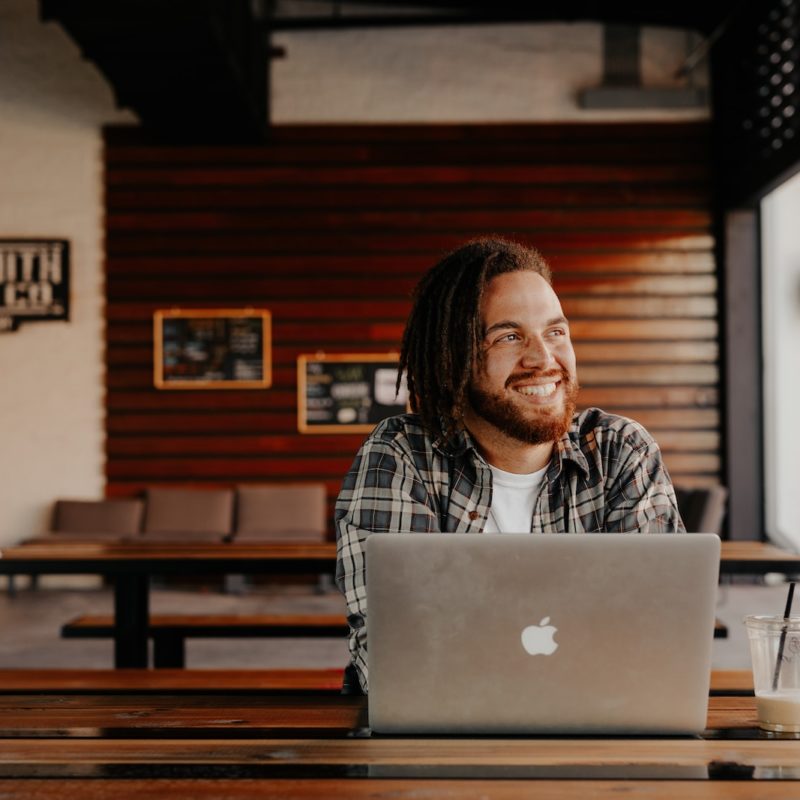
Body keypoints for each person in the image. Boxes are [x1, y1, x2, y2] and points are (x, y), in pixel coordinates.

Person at [335, 238, 684, 693]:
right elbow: (395, 656)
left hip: (602, 736)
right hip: (439, 747)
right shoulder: (401, 455)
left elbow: (658, 639)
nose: (543, 359)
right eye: (509, 336)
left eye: (555, 332)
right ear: (454, 358)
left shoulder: (621, 451)